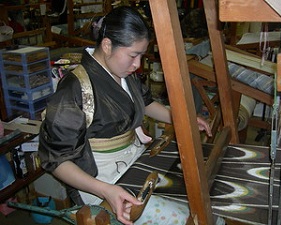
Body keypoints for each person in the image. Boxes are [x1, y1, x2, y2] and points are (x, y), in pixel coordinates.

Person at [38, 6, 212, 225]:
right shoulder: (74, 88)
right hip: (98, 178)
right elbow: (56, 160)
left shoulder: (122, 73)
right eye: (133, 55)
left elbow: (145, 103)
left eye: (141, 56)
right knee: (187, 217)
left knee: (198, 196)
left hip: (133, 161)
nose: (137, 64)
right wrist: (106, 191)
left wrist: (183, 120)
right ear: (107, 45)